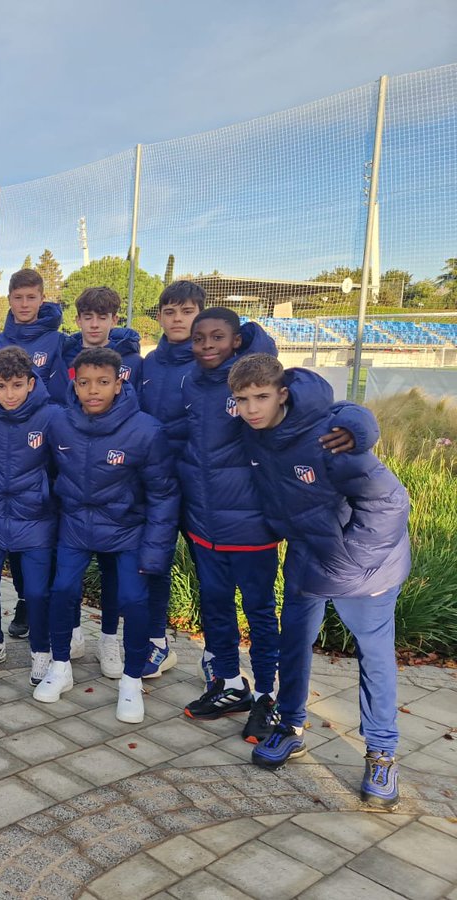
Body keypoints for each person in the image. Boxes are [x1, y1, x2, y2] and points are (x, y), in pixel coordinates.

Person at [230, 354, 405, 808]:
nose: (252, 408)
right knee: (295, 643)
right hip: (308, 558)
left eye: (262, 397)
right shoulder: (257, 436)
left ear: (282, 394)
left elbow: (389, 503)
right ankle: (290, 725)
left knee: (375, 656)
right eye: (242, 399)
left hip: (367, 569)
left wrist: (353, 561)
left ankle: (382, 751)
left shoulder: (329, 438)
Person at [41, 348, 178, 724]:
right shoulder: (60, 424)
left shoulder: (146, 430)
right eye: (84, 383)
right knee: (62, 590)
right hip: (75, 526)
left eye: (103, 382)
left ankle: (132, 681)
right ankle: (60, 665)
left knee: (134, 600)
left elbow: (163, 494)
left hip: (126, 530)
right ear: (74, 383)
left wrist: (154, 553)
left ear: (119, 383)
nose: (93, 390)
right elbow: (50, 474)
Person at [178, 307, 282, 739]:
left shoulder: (254, 383)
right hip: (205, 527)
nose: (207, 346)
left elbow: (309, 399)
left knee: (258, 613)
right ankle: (231, 683)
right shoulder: (190, 383)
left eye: (217, 337)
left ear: (237, 341)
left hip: (251, 530)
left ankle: (266, 696)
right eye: (199, 338)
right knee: (215, 607)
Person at [48, 286, 144, 677]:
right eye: (87, 316)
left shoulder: (133, 361)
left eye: (102, 317)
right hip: (72, 468)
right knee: (66, 573)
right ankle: (71, 633)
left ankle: (109, 639)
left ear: (113, 320)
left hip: (116, 480)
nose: (94, 324)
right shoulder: (62, 354)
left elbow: (136, 416)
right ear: (78, 319)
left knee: (112, 574)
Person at [0, 347, 59, 688]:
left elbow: (60, 465)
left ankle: (41, 649)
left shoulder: (51, 416)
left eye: (17, 385)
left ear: (31, 383)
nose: (10, 394)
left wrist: (44, 493)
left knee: (36, 592)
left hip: (35, 517)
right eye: (2, 386)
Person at [0, 267, 65, 640]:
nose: (24, 304)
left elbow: (64, 393)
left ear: (41, 299)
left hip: (41, 445)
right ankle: (23, 600)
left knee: (39, 531)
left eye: (31, 297)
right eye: (17, 298)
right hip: (5, 444)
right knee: (13, 533)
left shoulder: (57, 341)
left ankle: (42, 603)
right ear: (9, 300)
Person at [135, 279, 203, 678]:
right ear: (159, 316)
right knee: (154, 565)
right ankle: (157, 644)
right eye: (170, 311)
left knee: (209, 575)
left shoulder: (212, 360)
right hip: (155, 485)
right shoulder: (148, 363)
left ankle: (222, 661)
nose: (178, 319)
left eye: (187, 311)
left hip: (198, 485)